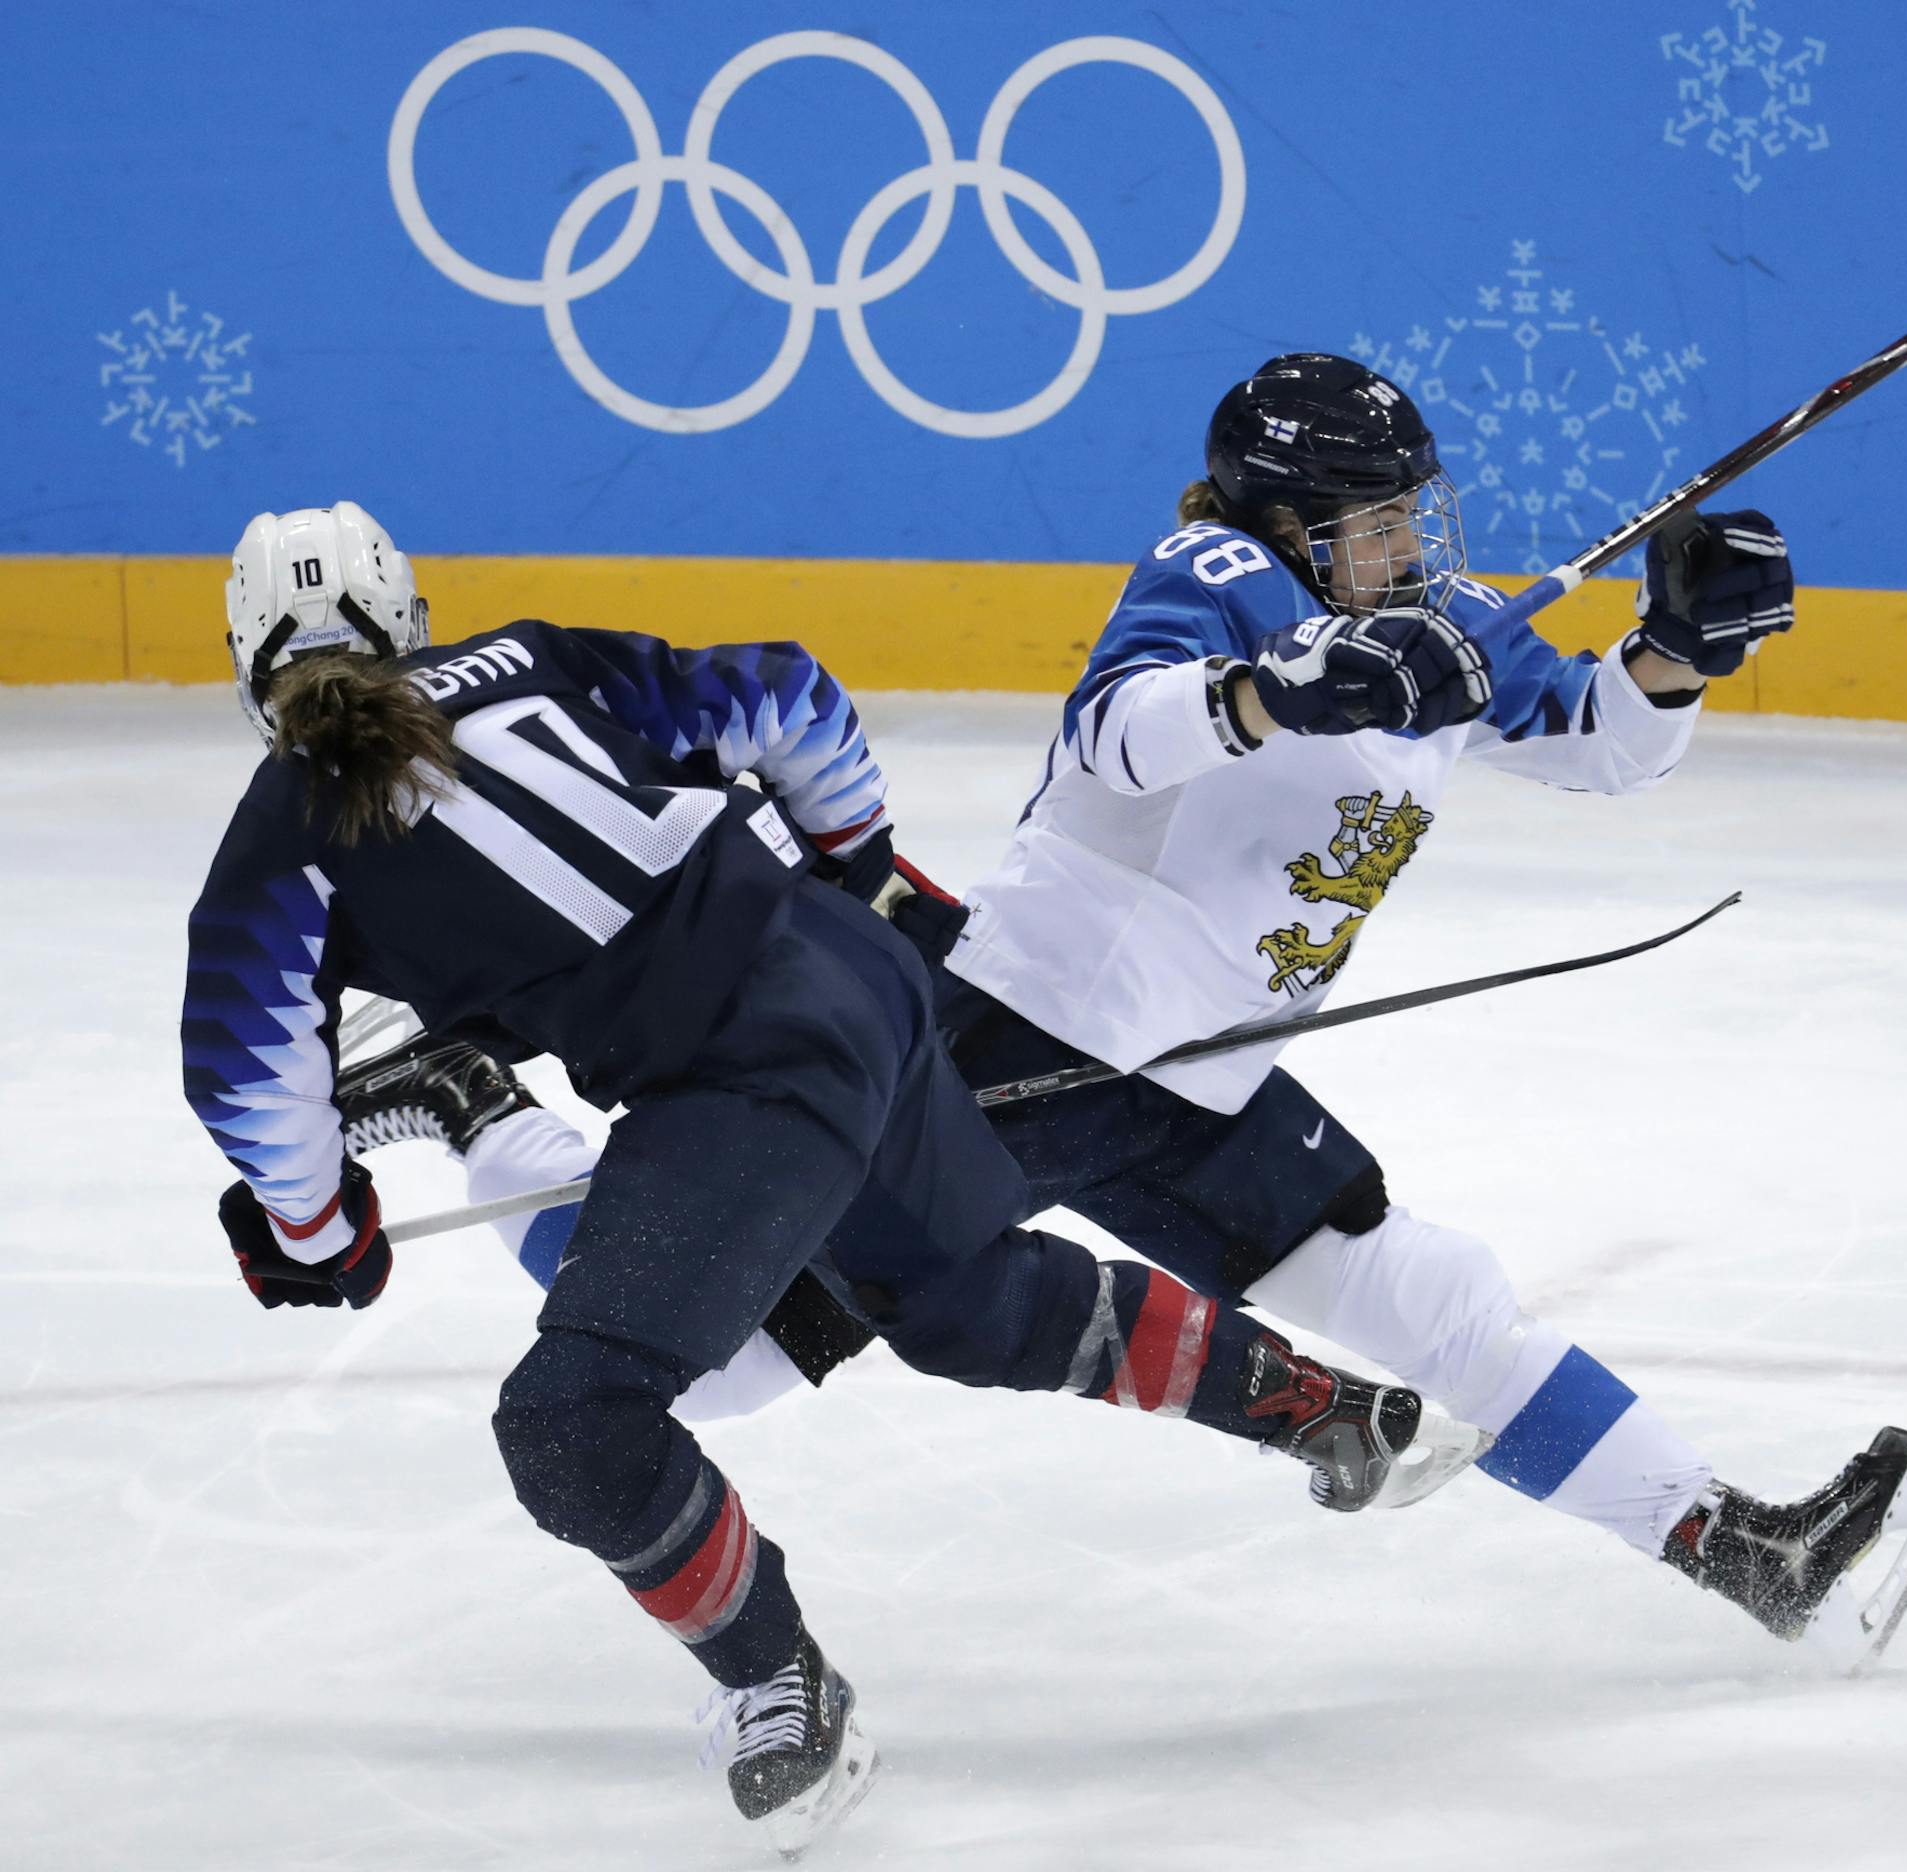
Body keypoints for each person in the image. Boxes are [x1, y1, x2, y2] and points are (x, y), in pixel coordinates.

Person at [660, 355, 1907, 1669]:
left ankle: (1742, 1547)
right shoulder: (1217, 578)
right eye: (1374, 521)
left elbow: (1603, 742)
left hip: (1199, 1087)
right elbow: (1116, 726)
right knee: (751, 1350)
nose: (1408, 541)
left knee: (1437, 1297)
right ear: (1284, 526)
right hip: (1026, 1043)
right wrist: (1278, 687)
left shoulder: (1430, 616)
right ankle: (552, 1231)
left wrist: (1678, 653)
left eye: (1414, 509)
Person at [181, 501, 1437, 1853]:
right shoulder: (528, 658)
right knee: (965, 1301)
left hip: (744, 1083)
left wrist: (319, 1234)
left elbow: (249, 1081)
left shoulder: (278, 841)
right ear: (405, 615)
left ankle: (780, 1685)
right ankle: (1316, 1405)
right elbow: (788, 695)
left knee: (574, 1426)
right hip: (860, 981)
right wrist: (852, 875)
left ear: (250, 665)